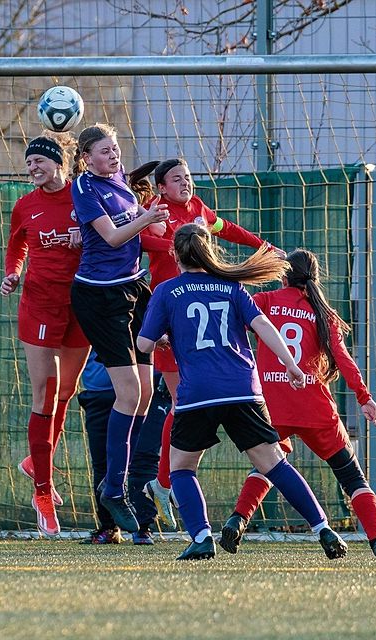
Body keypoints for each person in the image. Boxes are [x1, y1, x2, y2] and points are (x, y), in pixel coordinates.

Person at [137, 223, 348, 561]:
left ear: (174, 253)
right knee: (274, 465)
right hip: (243, 391)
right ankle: (322, 528)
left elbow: (144, 343)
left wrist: (162, 337)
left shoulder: (166, 291)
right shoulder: (231, 288)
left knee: (181, 469)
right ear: (209, 251)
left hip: (198, 394)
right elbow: (263, 326)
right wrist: (291, 366)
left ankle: (202, 536)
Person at [128, 158, 284, 530]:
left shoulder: (197, 209)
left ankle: (167, 481)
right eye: (177, 179)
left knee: (192, 404)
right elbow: (140, 240)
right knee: (182, 404)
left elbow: (226, 228)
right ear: (162, 187)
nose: (185, 184)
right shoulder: (158, 211)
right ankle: (165, 481)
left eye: (188, 178)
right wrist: (177, 243)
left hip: (202, 319)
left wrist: (263, 245)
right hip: (171, 320)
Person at [218, 249, 376, 560]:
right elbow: (343, 360)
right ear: (315, 278)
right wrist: (364, 397)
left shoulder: (266, 301)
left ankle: (237, 520)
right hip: (316, 408)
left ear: (284, 275)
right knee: (352, 477)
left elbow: (232, 317)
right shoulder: (323, 313)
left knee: (267, 466)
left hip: (272, 406)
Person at [68, 123, 170, 534]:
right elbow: (110, 238)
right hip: (99, 297)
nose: (113, 155)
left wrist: (158, 221)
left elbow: (148, 235)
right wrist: (146, 217)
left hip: (132, 290)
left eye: (115, 148)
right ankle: (113, 490)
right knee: (128, 393)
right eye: (104, 151)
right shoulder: (85, 186)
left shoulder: (123, 185)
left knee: (144, 394)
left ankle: (120, 485)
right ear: (86, 158)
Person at [1, 133, 90, 537]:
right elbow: (16, 246)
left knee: (66, 391)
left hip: (80, 304)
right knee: (45, 393)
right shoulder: (25, 206)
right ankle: (42, 490)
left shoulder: (83, 196)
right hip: (39, 305)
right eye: (29, 163)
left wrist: (83, 238)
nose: (33, 168)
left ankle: (37, 459)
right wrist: (14, 273)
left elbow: (107, 237)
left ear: (59, 163)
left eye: (39, 161)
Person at [77, 349, 171, 545]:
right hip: (99, 388)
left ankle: (143, 527)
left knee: (144, 456)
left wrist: (169, 372)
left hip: (147, 387)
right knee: (103, 461)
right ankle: (109, 527)